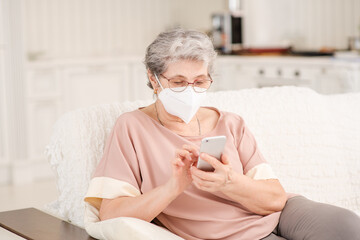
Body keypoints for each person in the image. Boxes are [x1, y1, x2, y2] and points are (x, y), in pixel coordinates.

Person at [84, 28, 360, 240]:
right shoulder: (132, 127)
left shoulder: (230, 122)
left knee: (347, 226)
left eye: (200, 81)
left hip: (278, 214)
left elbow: (275, 198)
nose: (190, 90)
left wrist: (229, 182)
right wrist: (173, 188)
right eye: (178, 82)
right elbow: (110, 214)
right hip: (226, 234)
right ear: (153, 79)